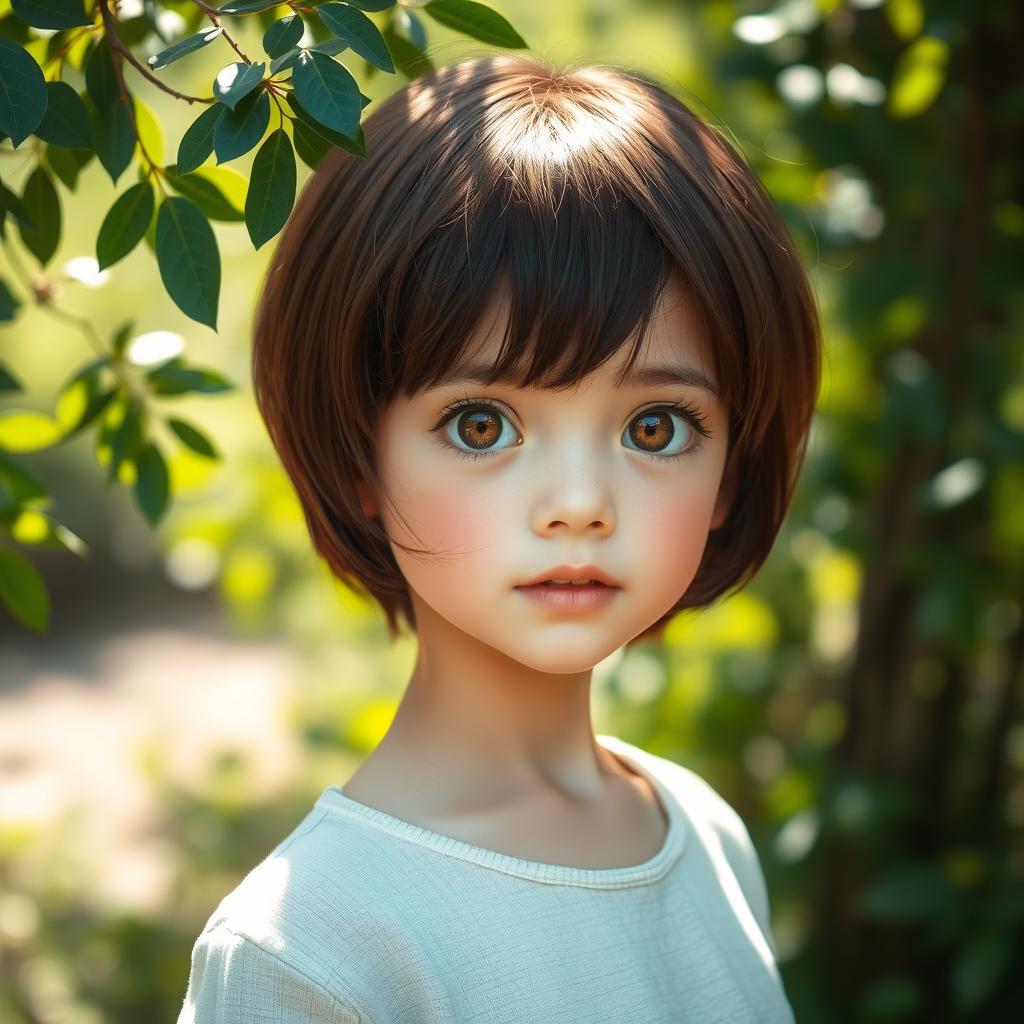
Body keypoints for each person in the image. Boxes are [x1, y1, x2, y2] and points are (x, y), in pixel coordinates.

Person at [176, 52, 821, 1023]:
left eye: (655, 427)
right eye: (482, 425)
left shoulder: (702, 831)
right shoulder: (309, 950)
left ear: (729, 469)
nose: (577, 503)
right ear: (359, 458)